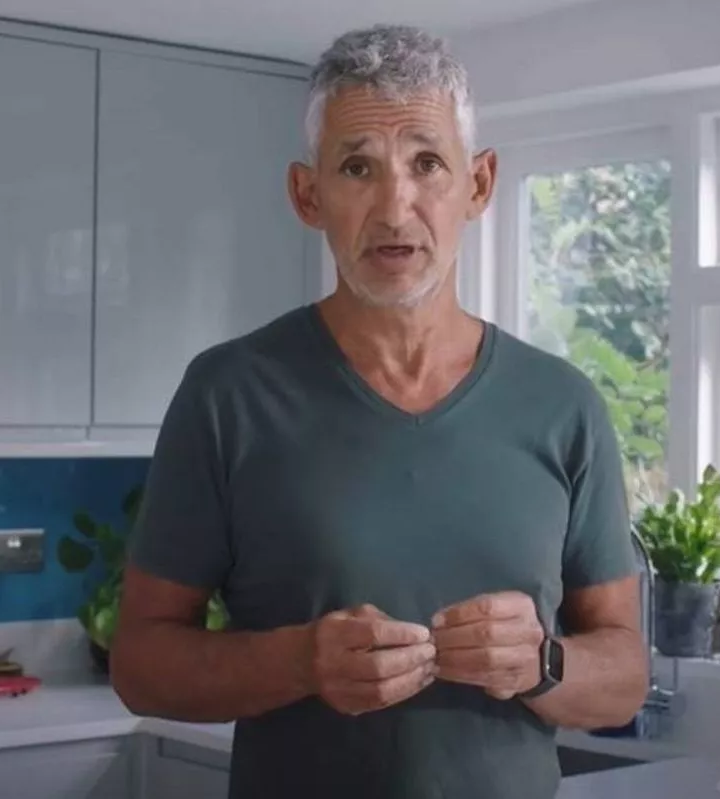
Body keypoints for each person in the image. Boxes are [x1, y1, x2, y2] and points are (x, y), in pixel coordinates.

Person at [111, 23, 648, 799]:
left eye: (428, 163)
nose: (397, 207)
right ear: (308, 194)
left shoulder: (564, 405)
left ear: (479, 184)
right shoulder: (227, 394)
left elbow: (625, 675)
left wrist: (543, 661)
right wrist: (300, 661)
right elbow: (141, 663)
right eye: (358, 167)